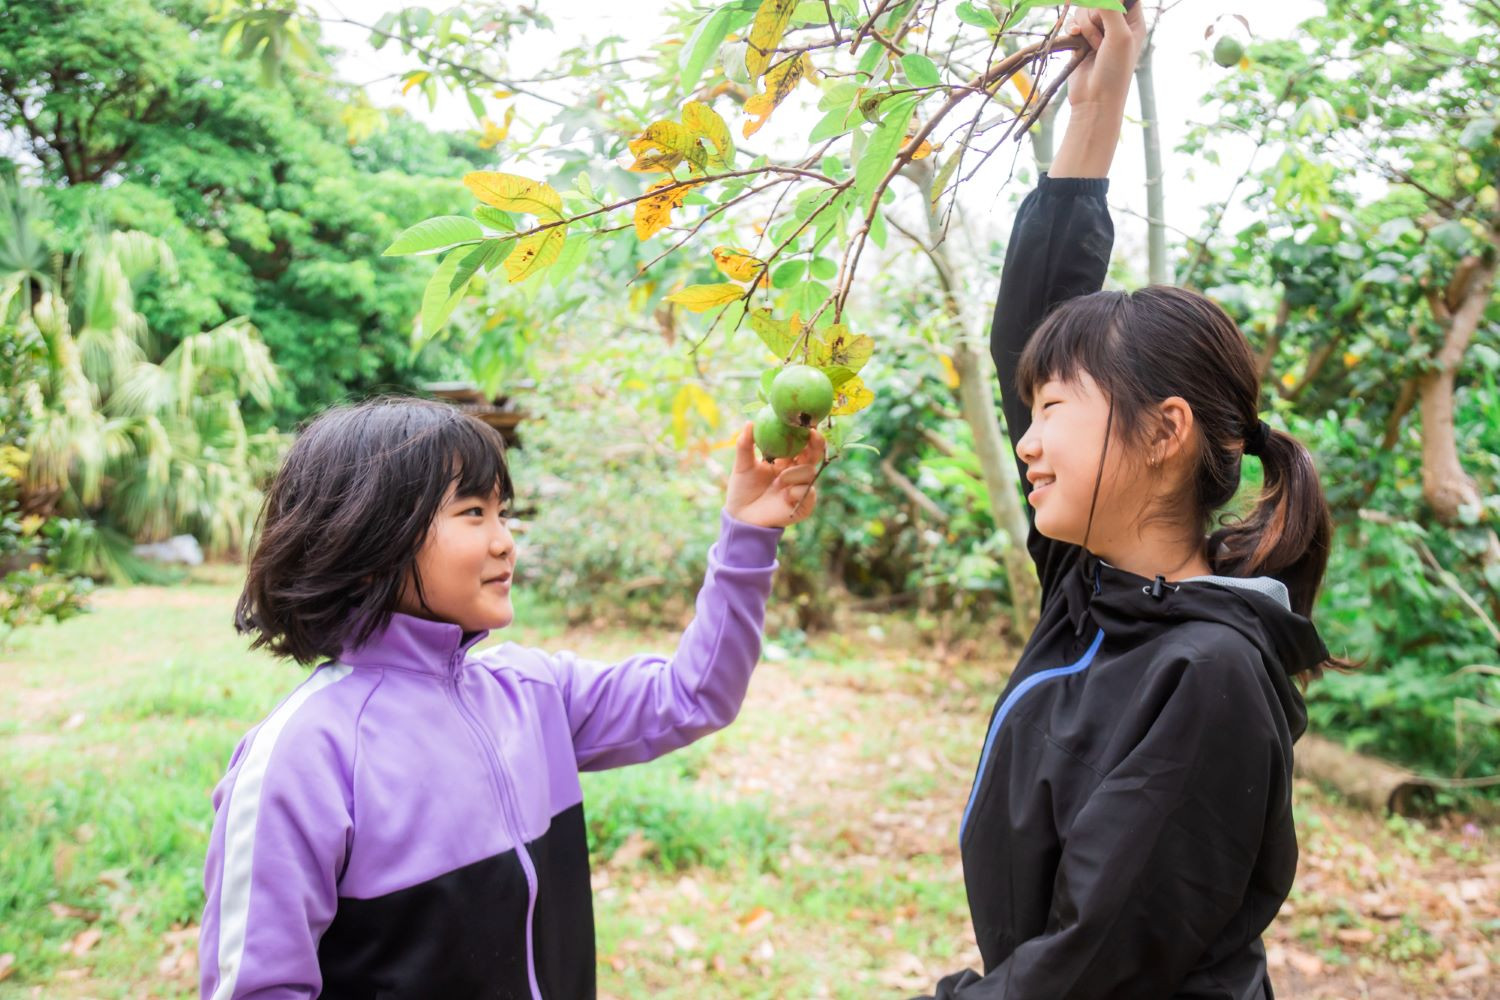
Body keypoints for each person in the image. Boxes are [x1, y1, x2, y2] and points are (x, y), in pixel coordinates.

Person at [920, 6, 1342, 998]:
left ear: (1164, 434)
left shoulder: (1208, 673)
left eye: (1054, 408)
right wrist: (1101, 91)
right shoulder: (1097, 593)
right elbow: (1031, 318)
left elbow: (1094, 968)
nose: (1028, 438)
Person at [197, 396, 822, 999]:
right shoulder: (304, 756)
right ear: (366, 541)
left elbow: (695, 695)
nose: (504, 541)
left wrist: (747, 532)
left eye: (503, 513)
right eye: (472, 512)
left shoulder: (531, 692)